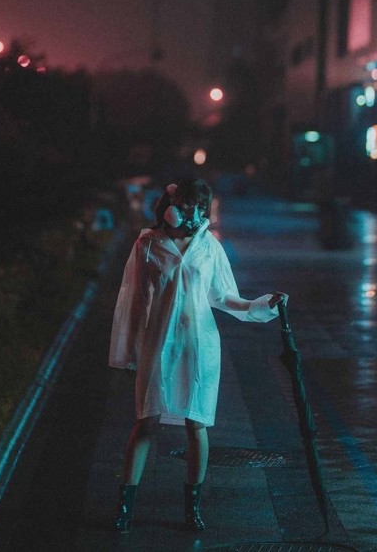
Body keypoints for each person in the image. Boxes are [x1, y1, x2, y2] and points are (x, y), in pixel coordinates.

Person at [109, 177, 287, 532]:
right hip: (157, 344)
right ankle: (125, 506)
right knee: (145, 422)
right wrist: (129, 352)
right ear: (172, 206)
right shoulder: (148, 243)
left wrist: (264, 304)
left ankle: (192, 508)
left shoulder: (209, 246)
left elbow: (224, 297)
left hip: (199, 345)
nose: (195, 212)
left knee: (196, 423)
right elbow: (133, 301)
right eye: (189, 204)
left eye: (200, 206)